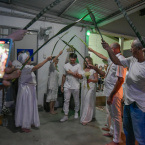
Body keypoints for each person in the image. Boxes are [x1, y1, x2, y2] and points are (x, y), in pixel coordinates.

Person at [102, 38, 145, 145]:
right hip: (128, 103)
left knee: (140, 137)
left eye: (132, 47)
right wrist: (108, 49)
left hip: (139, 106)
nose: (130, 50)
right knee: (128, 133)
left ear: (139, 49)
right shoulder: (132, 60)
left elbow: (120, 79)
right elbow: (116, 61)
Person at [88, 46, 126, 145]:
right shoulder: (112, 60)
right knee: (112, 114)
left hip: (115, 92)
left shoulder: (120, 60)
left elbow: (120, 80)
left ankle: (116, 140)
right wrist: (95, 68)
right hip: (109, 91)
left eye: (109, 48)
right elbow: (104, 73)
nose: (107, 51)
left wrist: (112, 95)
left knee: (117, 116)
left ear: (114, 49)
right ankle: (112, 131)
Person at [15, 53, 52, 133]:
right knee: (26, 108)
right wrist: (46, 60)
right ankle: (24, 125)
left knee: (30, 107)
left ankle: (30, 122)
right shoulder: (25, 67)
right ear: (25, 60)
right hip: (26, 91)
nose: (30, 59)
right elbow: (36, 67)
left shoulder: (27, 67)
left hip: (30, 90)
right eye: (28, 58)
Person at [60, 53, 82, 122]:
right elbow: (64, 76)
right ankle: (66, 115)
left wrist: (71, 72)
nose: (72, 60)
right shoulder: (66, 65)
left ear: (75, 59)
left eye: (74, 59)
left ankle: (76, 112)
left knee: (76, 100)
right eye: (71, 59)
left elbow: (80, 76)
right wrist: (62, 85)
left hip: (76, 86)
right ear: (69, 58)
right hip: (67, 85)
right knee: (66, 100)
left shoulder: (78, 66)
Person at [80, 56, 98, 125]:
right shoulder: (83, 70)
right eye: (86, 61)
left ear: (91, 62)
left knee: (88, 101)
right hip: (84, 87)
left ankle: (86, 118)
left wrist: (91, 80)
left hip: (91, 87)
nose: (87, 62)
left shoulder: (93, 70)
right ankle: (89, 114)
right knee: (84, 101)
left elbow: (96, 80)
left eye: (88, 61)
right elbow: (81, 77)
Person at [46, 50, 63, 114]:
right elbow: (51, 61)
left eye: (58, 59)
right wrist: (59, 54)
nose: (57, 60)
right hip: (51, 85)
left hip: (55, 85)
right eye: (56, 59)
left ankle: (53, 109)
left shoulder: (57, 67)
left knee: (54, 98)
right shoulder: (52, 66)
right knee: (51, 98)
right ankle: (51, 110)